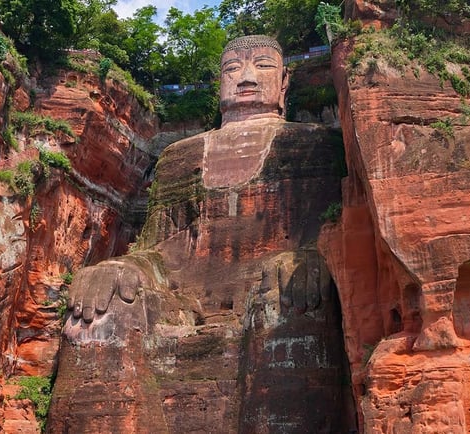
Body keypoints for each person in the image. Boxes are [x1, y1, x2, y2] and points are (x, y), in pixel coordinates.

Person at [48, 36, 353, 433]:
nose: (245, 78)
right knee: (101, 311)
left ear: (284, 83)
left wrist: (308, 259)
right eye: (231, 70)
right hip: (180, 302)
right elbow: (157, 251)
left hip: (269, 292)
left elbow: (331, 232)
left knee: (292, 298)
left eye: (261, 66)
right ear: (218, 85)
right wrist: (120, 265)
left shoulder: (312, 145)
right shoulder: (180, 156)